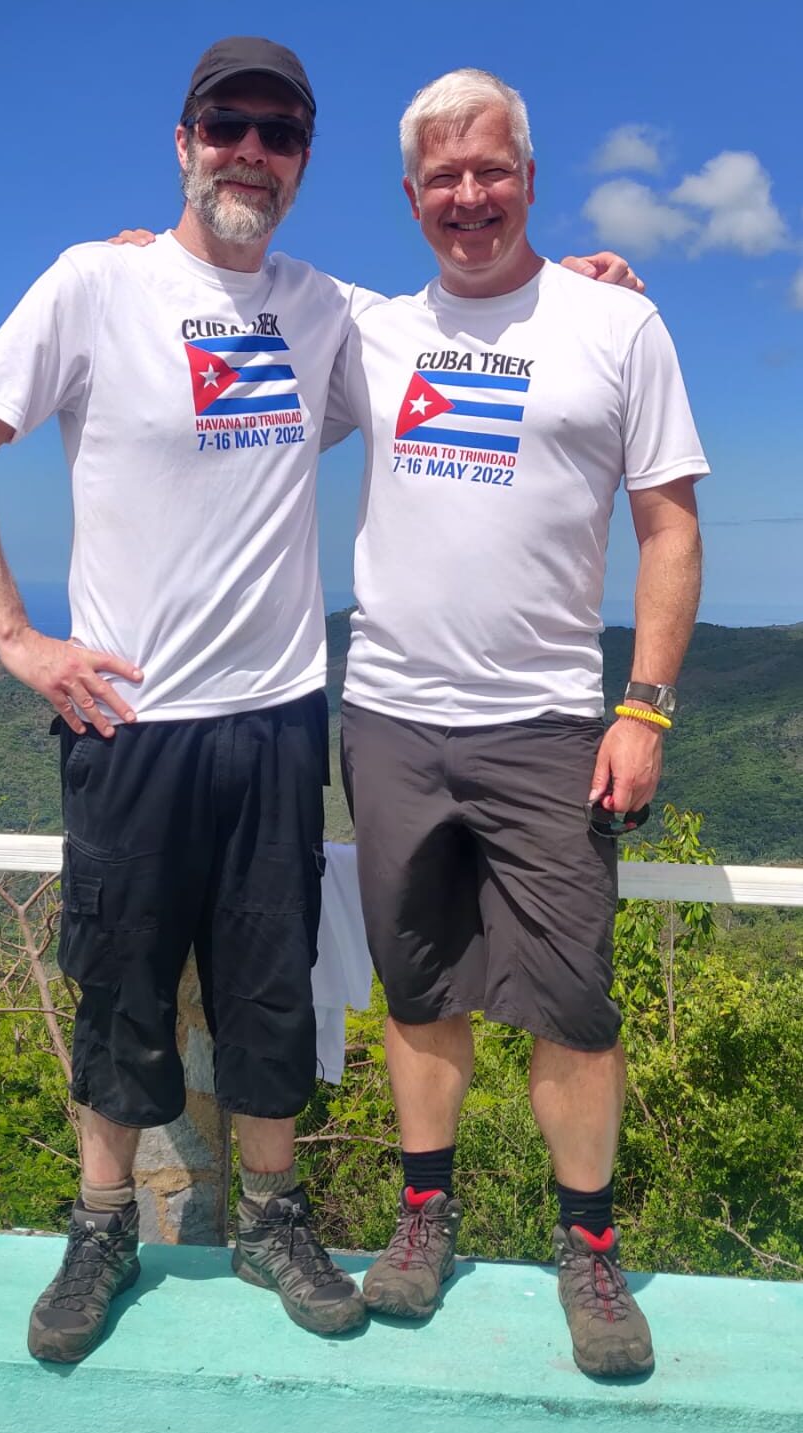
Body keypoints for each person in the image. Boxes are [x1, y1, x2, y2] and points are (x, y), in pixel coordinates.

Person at [0, 34, 642, 1359]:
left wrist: (572, 289)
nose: (251, 150)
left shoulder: (326, 310)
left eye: (279, 132)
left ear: (303, 161)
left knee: (266, 987)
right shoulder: (94, 281)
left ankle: (270, 1215)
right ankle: (100, 1229)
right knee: (120, 983)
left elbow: (468, 317)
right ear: (184, 139)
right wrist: (16, 637)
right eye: (227, 125)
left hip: (281, 715)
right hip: (129, 719)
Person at [324, 67, 707, 1377]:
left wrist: (644, 704)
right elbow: (237, 384)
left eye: (491, 171)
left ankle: (587, 1247)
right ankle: (424, 1212)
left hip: (551, 723)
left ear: (531, 179)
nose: (469, 196)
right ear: (414, 197)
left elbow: (670, 525)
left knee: (573, 1003)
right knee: (419, 982)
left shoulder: (614, 326)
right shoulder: (369, 332)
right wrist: (155, 271)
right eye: (443, 178)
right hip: (388, 716)